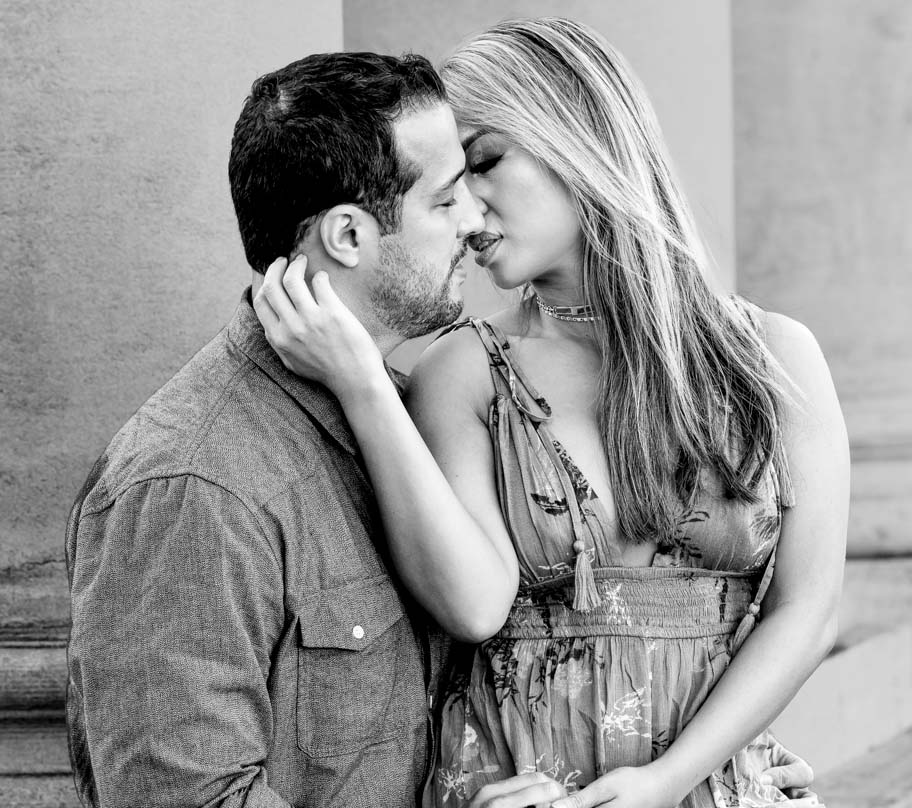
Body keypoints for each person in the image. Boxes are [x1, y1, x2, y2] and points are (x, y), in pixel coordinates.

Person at [254, 17, 848, 808]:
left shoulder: (772, 357)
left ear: (576, 137)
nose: (468, 211)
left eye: (486, 162)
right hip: (523, 790)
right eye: (450, 188)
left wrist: (668, 782)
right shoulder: (462, 369)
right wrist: (365, 386)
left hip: (716, 788)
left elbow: (808, 613)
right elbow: (472, 603)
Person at [64, 51, 486, 808]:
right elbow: (186, 797)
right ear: (349, 236)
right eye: (446, 201)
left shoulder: (403, 419)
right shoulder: (193, 485)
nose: (476, 222)